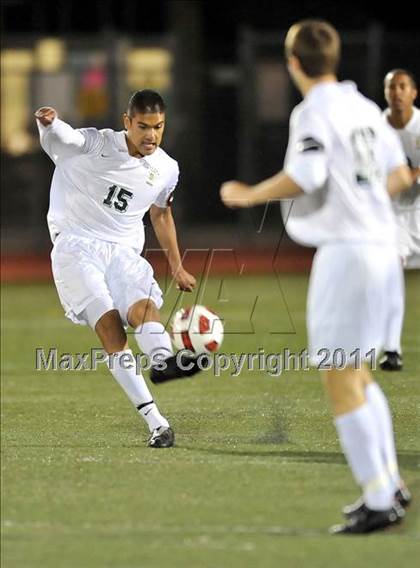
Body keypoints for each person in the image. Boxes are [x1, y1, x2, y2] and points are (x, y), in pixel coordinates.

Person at [220, 20, 412, 534]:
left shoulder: (315, 110)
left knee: (337, 374)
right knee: (359, 373)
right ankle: (388, 483)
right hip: (383, 250)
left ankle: (378, 499)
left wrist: (249, 193)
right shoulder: (365, 108)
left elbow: (306, 175)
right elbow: (397, 176)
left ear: (294, 63)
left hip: (347, 254)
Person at [36, 89, 203, 449]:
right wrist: (50, 122)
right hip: (77, 246)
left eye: (158, 127)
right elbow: (68, 137)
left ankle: (164, 363)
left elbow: (161, 213)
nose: (151, 136)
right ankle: (156, 422)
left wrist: (176, 265)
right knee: (111, 327)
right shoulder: (97, 144)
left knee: (143, 308)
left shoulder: (166, 168)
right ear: (127, 122)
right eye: (143, 126)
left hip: (124, 251)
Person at [379, 69, 420, 371]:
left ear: (413, 93)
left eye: (403, 86)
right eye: (392, 87)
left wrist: (409, 177)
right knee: (391, 273)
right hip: (393, 217)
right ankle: (391, 350)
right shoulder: (375, 128)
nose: (397, 92)